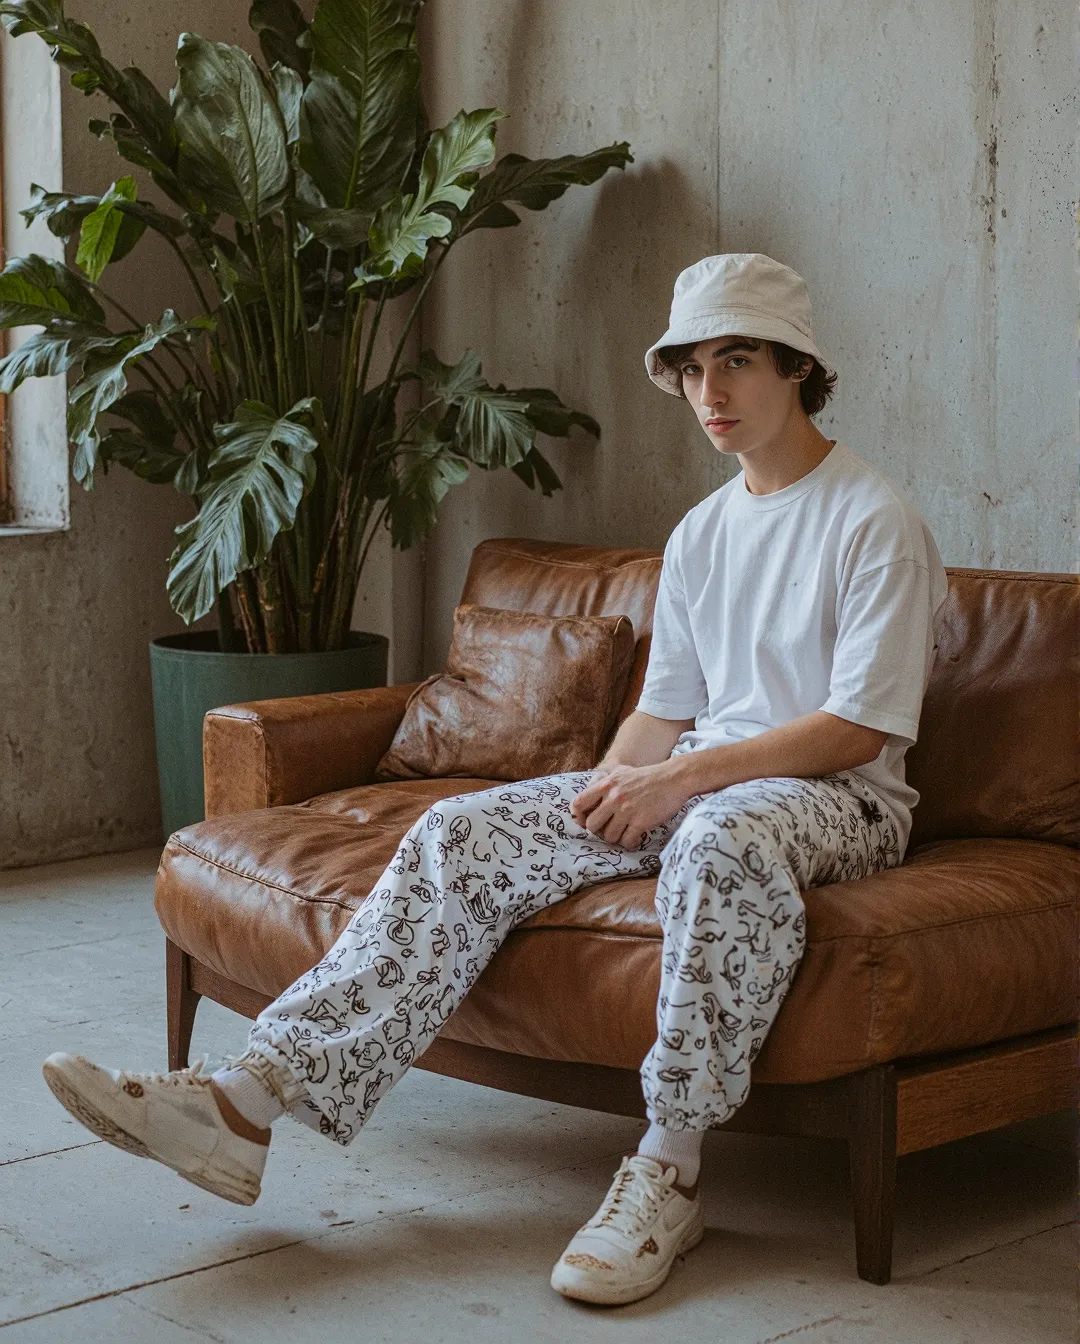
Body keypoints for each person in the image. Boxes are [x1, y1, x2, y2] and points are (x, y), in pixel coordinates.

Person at [43, 253, 948, 1307]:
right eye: (692, 367)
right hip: (705, 782)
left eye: (737, 361)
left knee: (718, 840)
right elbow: (663, 710)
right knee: (462, 833)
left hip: (840, 804)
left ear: (797, 368)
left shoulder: (874, 520)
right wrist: (605, 798)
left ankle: (669, 1169)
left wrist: (680, 784)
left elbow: (856, 729)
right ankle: (244, 1105)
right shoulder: (703, 532)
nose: (710, 393)